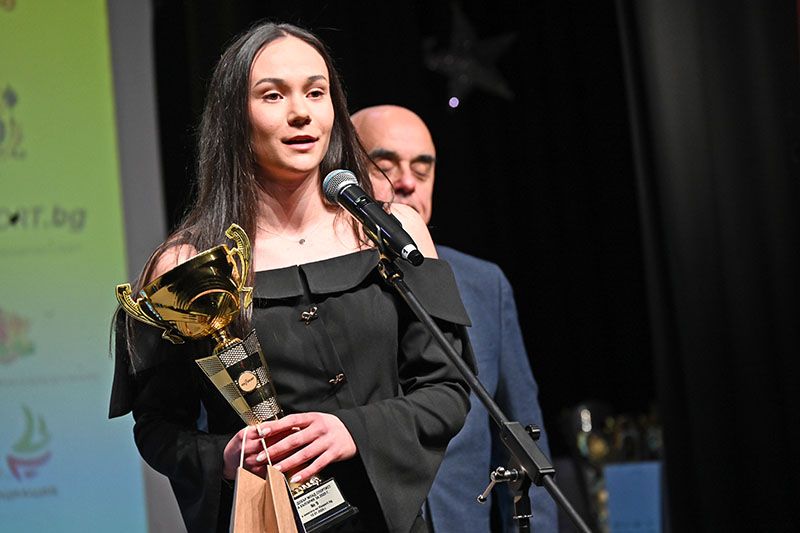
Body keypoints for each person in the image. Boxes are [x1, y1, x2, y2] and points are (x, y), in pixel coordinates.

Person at [108, 23, 475, 533]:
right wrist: (224, 456)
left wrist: (353, 432)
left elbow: (449, 388)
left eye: (316, 92)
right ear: (234, 116)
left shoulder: (392, 232)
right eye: (273, 95)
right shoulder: (186, 264)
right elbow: (157, 427)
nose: (301, 112)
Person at [351, 105, 559, 533]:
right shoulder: (313, 287)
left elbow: (522, 437)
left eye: (422, 169)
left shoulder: (483, 284)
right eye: (385, 166)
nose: (407, 182)